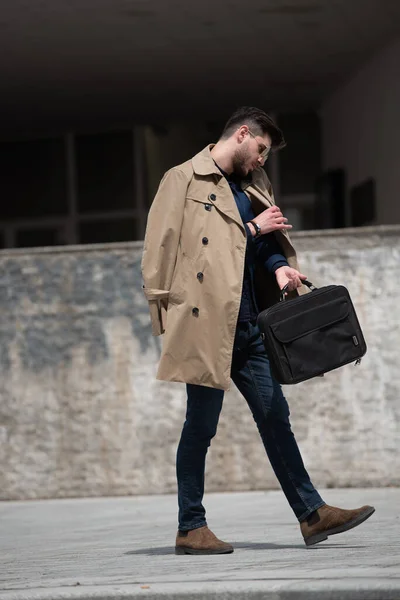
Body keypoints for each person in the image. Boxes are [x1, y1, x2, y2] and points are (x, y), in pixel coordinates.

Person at [141, 106, 375, 555]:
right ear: (243, 134)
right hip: (207, 325)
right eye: (261, 149)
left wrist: (282, 267)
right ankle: (191, 527)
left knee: (275, 416)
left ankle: (311, 514)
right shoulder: (183, 179)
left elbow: (263, 245)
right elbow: (166, 248)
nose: (263, 159)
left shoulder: (254, 184)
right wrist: (164, 318)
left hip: (250, 327)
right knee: (201, 427)